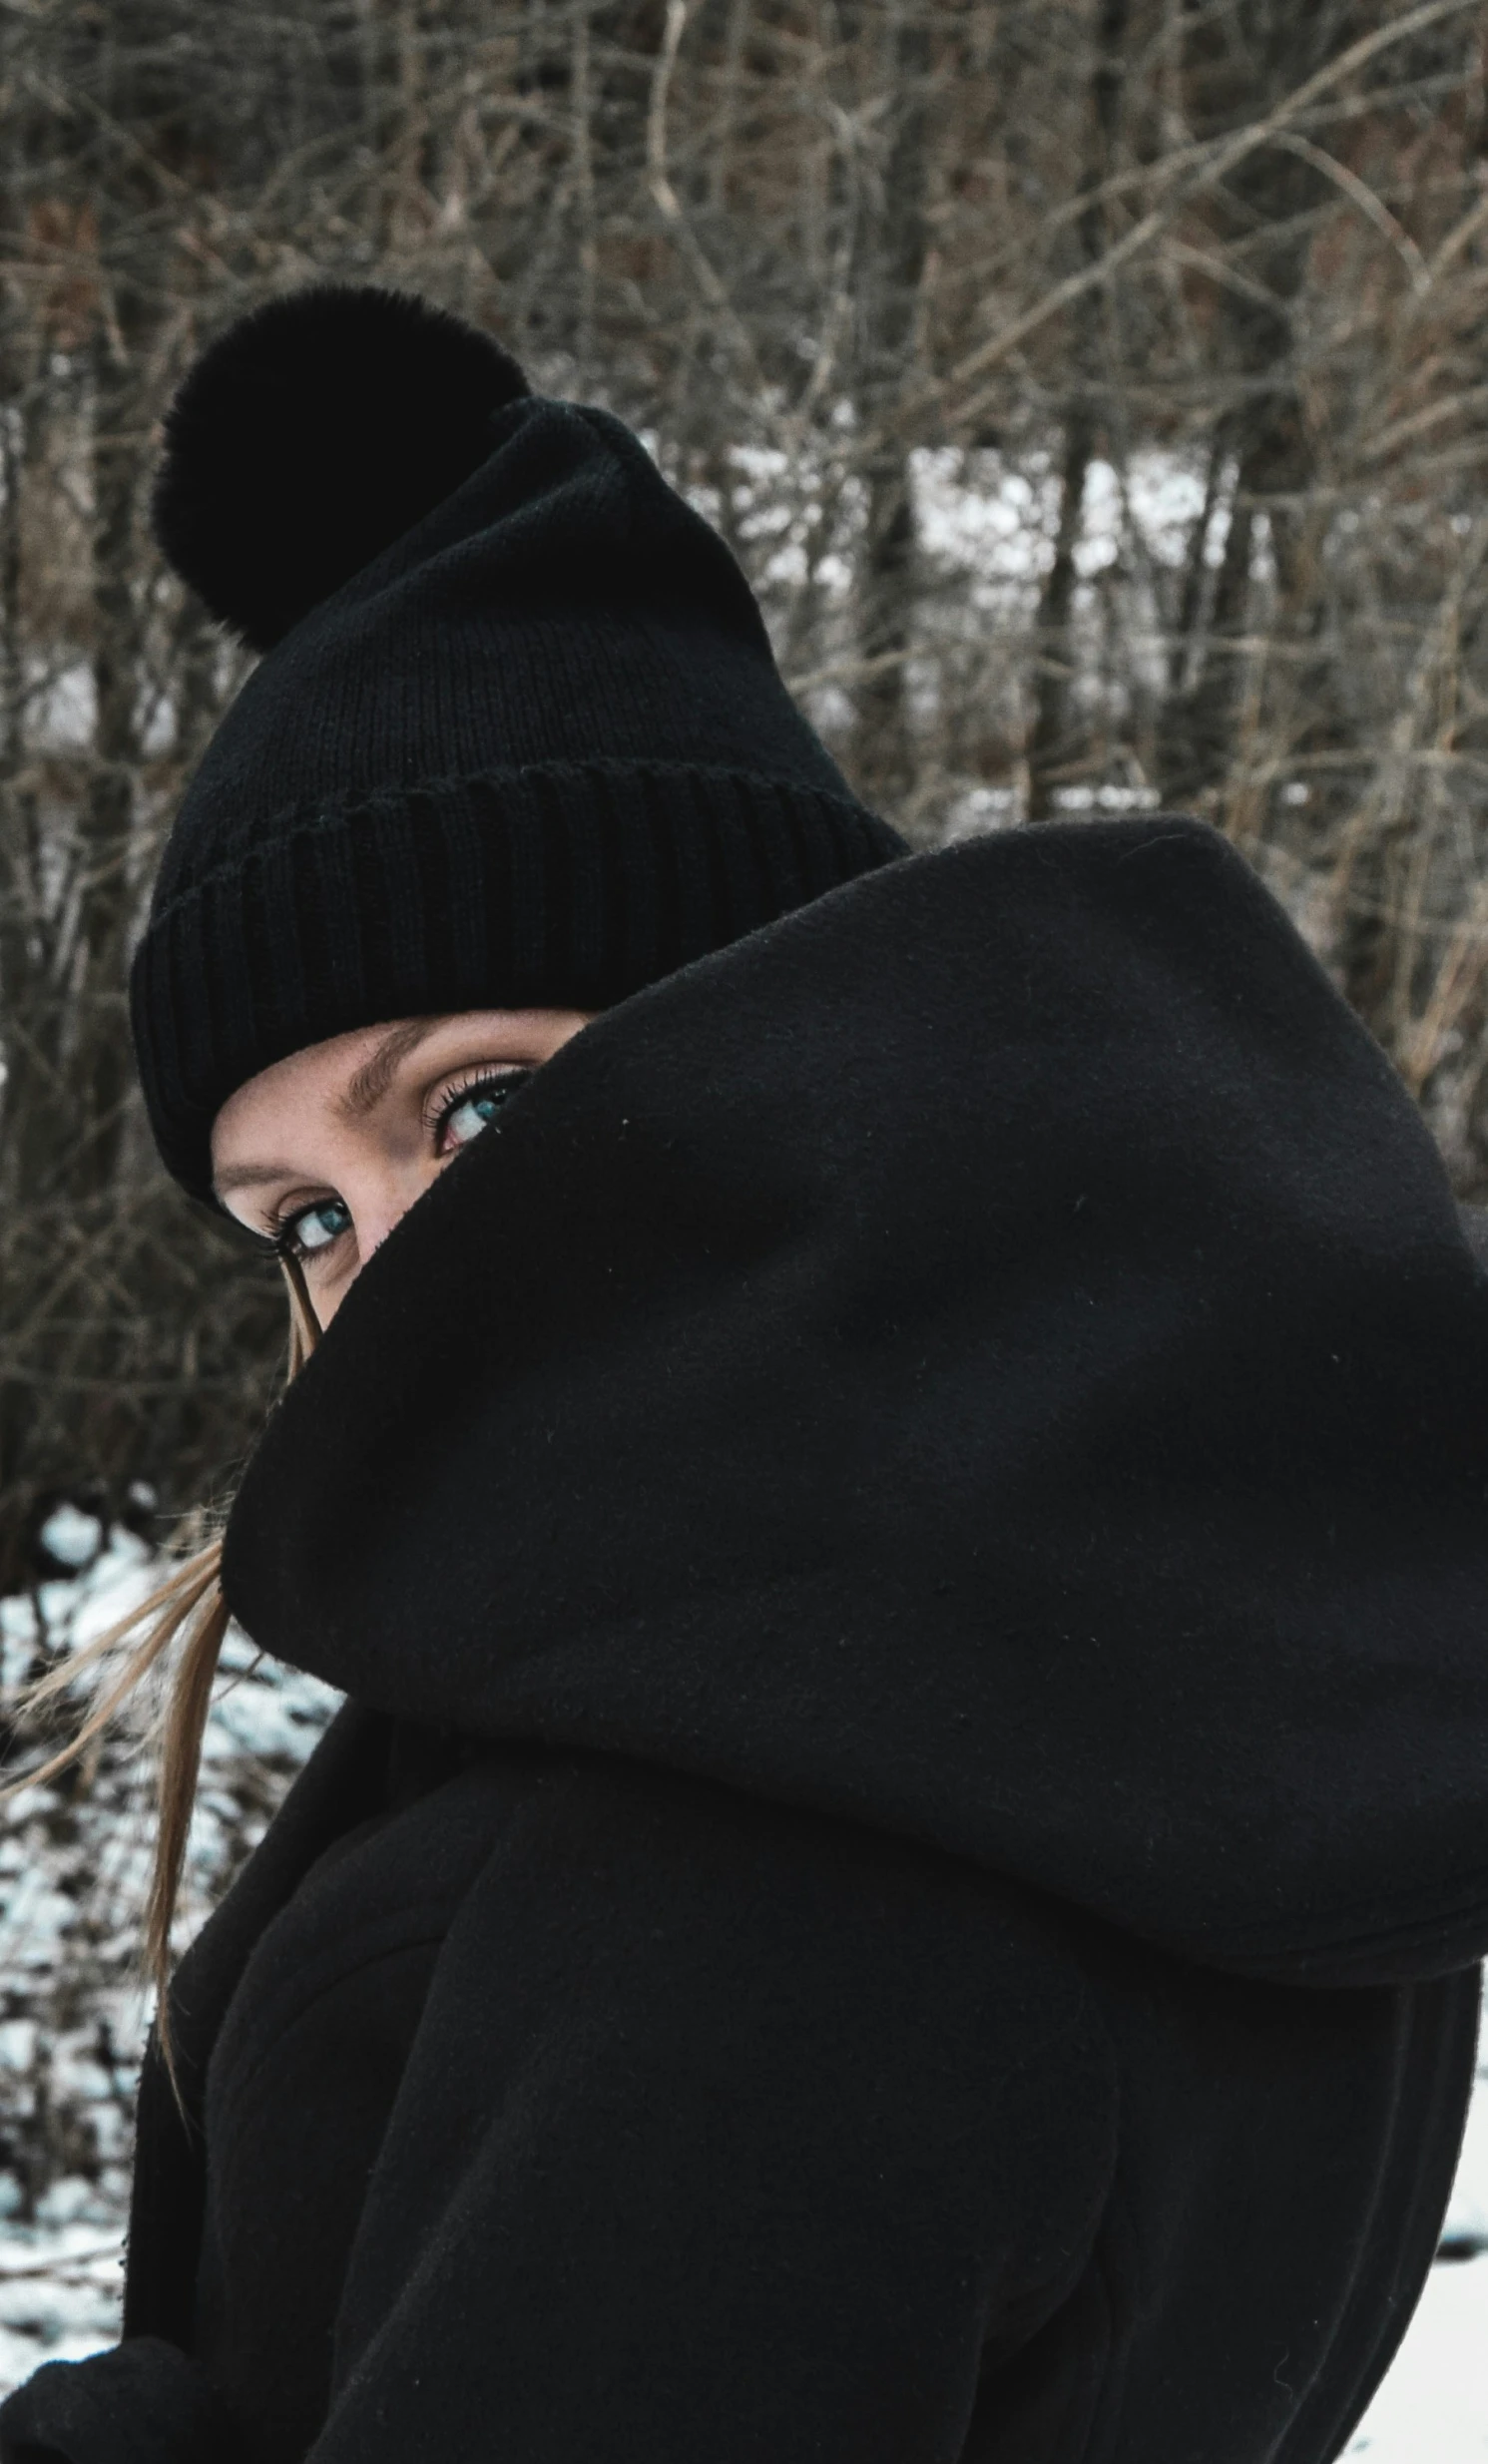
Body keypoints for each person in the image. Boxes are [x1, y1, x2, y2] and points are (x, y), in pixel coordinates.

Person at [2, 282, 1487, 2464]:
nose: (382, 1285)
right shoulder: (1223, 1642)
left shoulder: (736, 1851)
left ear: (776, 1045)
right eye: (299, 1218)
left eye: (476, 1110)